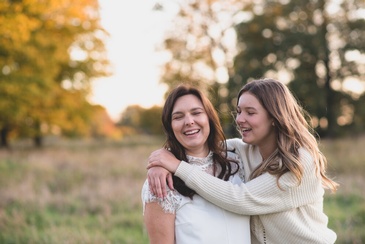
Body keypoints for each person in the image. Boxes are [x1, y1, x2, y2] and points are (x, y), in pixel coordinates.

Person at [147, 78, 339, 244]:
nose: (239, 119)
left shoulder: (299, 162)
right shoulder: (244, 150)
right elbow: (200, 144)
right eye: (239, 111)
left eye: (250, 112)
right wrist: (161, 162)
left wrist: (178, 167)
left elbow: (241, 199)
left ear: (274, 117)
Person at [141, 84, 251, 243]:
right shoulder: (162, 182)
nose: (189, 121)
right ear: (170, 127)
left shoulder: (237, 163)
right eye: (178, 117)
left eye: (196, 113)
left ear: (209, 118)